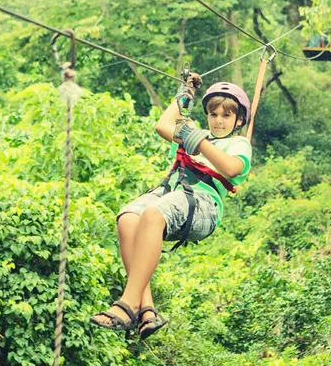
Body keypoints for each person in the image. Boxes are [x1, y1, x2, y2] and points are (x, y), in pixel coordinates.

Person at [89, 73, 253, 339]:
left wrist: (198, 141)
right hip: (173, 193)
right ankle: (146, 310)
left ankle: (127, 304)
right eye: (214, 115)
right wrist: (186, 92)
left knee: (154, 214)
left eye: (226, 115)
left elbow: (231, 167)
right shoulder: (194, 136)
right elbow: (163, 125)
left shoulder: (238, 144)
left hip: (204, 205)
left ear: (239, 120)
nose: (219, 121)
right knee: (128, 218)